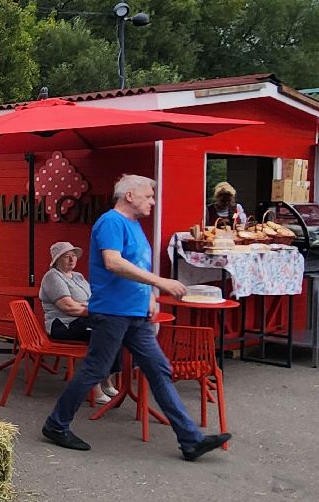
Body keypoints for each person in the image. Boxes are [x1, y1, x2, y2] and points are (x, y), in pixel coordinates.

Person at [41, 174, 232, 461]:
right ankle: (56, 425)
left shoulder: (134, 226)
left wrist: (150, 297)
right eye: (148, 196)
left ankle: (190, 440)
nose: (153, 201)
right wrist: (160, 283)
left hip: (135, 314)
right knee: (95, 369)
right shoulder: (111, 222)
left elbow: (137, 267)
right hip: (112, 313)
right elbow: (113, 262)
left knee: (159, 370)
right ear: (129, 195)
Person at [39, 240, 121, 396]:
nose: (72, 260)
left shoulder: (78, 276)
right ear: (56, 260)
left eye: (74, 256)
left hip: (83, 320)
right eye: (66, 257)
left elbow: (94, 298)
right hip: (63, 325)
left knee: (117, 329)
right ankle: (95, 385)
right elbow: (68, 307)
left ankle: (105, 377)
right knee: (101, 332)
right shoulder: (52, 277)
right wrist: (97, 311)